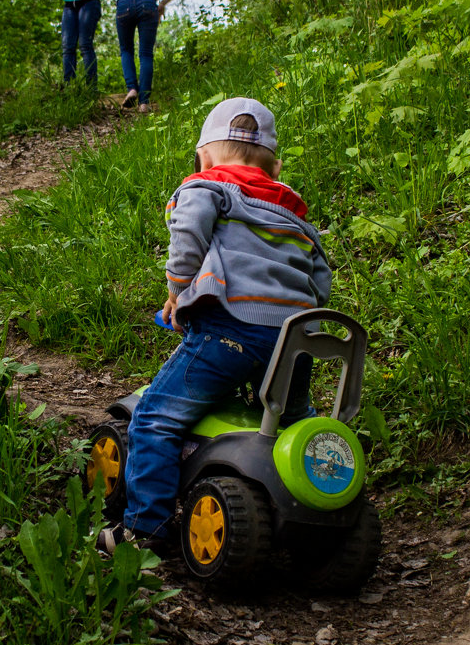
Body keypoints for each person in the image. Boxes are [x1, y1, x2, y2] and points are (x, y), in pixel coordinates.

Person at [97, 97, 332, 552]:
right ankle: (315, 513)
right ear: (275, 167)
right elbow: (320, 280)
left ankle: (145, 529)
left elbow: (188, 235)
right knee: (292, 428)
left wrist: (177, 287)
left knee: (155, 418)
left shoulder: (207, 187)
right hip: (297, 341)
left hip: (231, 331)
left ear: (204, 156)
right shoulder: (293, 214)